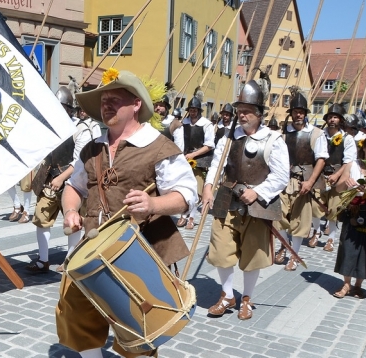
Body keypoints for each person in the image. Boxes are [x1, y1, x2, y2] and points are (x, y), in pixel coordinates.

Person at [57, 69, 197, 358]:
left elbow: (186, 195)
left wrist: (153, 205)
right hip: (92, 249)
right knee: (78, 317)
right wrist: (70, 210)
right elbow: (74, 187)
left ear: (136, 105)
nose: (106, 104)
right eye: (104, 100)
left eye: (114, 99)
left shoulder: (159, 146)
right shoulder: (92, 148)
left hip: (139, 252)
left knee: (138, 326)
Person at [203, 80, 289, 320]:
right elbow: (216, 165)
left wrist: (259, 192)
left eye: (246, 111)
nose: (241, 116)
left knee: (252, 255)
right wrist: (208, 187)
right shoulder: (228, 138)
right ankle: (228, 295)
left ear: (259, 114)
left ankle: (247, 299)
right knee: (221, 250)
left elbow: (282, 176)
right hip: (227, 199)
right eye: (239, 111)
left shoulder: (273, 140)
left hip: (256, 205)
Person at [26, 86, 101, 273]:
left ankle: (69, 260)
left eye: (61, 107)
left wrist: (61, 178)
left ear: (69, 109)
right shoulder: (48, 125)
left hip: (72, 181)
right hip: (49, 178)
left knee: (73, 220)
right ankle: (43, 259)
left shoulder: (81, 129)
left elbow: (79, 161)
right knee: (41, 218)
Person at [274, 92, 328, 271]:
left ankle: (294, 255)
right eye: (295, 111)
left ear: (305, 113)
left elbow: (321, 159)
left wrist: (310, 182)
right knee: (278, 216)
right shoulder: (282, 133)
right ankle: (284, 244)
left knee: (299, 219)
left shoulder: (316, 134)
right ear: (291, 113)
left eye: (301, 112)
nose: (298, 115)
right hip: (284, 180)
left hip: (304, 182)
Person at [332, 132, 366, 299]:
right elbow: (338, 188)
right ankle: (346, 284)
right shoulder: (352, 165)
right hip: (353, 211)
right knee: (348, 247)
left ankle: (358, 285)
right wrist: (347, 184)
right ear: (363, 150)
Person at [308, 104, 356, 251]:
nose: (332, 120)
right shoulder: (320, 135)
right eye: (330, 117)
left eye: (335, 117)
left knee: (334, 209)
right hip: (320, 176)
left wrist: (337, 174)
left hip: (338, 177)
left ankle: (331, 238)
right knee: (316, 207)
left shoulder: (347, 139)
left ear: (340, 120)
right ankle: (317, 231)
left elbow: (349, 160)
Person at [178, 96, 215, 230]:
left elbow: (209, 145)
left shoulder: (206, 124)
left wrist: (193, 154)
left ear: (199, 111)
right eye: (191, 110)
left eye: (195, 110)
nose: (193, 112)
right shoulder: (184, 123)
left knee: (196, 192)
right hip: (185, 159)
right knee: (183, 189)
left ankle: (191, 218)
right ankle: (184, 214)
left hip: (200, 160)